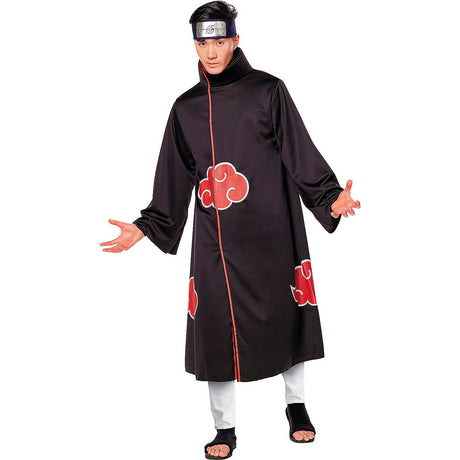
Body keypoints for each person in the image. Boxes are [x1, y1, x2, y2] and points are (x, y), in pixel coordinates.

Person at [100, 1, 360, 458]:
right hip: (214, 241)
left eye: (220, 42)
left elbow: (299, 151)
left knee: (286, 311)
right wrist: (146, 226)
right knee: (215, 327)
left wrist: (329, 196)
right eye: (203, 44)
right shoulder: (185, 108)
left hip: (272, 228)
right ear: (194, 45)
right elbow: (173, 176)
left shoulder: (268, 90)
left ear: (235, 41)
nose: (212, 52)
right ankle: (224, 428)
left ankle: (296, 405)